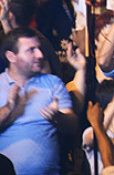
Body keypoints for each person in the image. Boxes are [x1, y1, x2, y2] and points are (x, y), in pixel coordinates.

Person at [0, 27, 78, 175]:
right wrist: (9, 109)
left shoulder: (52, 83)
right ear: (11, 56)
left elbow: (73, 126)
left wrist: (57, 117)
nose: (40, 55)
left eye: (39, 49)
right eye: (31, 50)